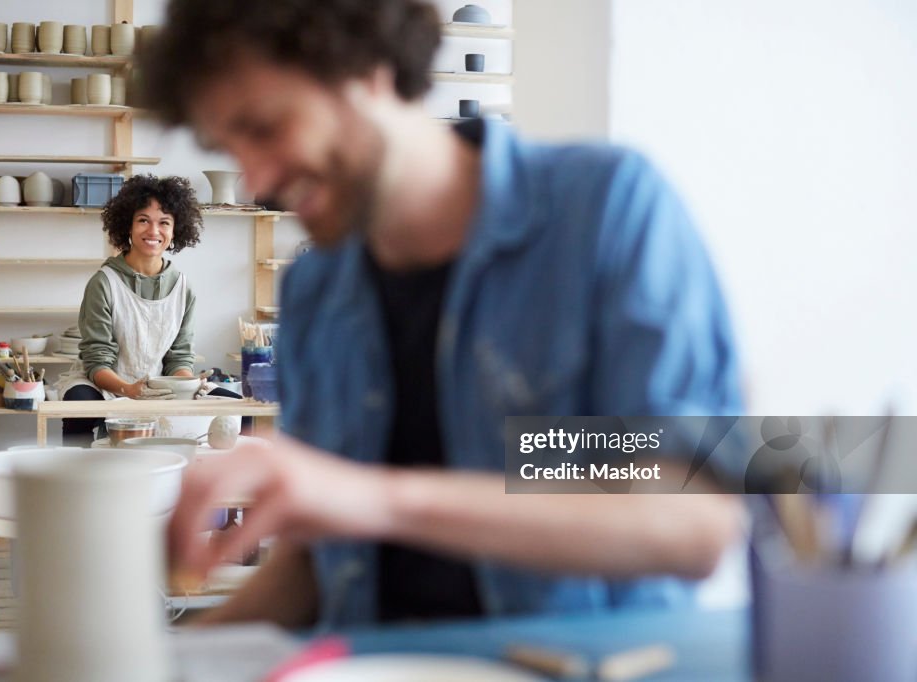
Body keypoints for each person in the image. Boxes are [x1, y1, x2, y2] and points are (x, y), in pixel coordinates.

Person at [142, 0, 745, 628]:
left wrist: (376, 499)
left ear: (366, 68)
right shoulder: (317, 290)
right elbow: (313, 568)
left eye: (264, 127)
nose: (255, 180)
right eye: (231, 148)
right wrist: (164, 663)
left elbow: (695, 521)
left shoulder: (605, 212)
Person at [59, 174, 239, 443]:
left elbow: (179, 358)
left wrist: (186, 384)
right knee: (79, 405)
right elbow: (97, 360)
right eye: (143, 220)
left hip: (158, 385)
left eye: (164, 222)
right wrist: (128, 390)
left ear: (175, 230)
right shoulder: (104, 283)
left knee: (237, 406)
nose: (154, 232)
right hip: (105, 382)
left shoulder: (183, 288)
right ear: (128, 226)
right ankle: (75, 475)